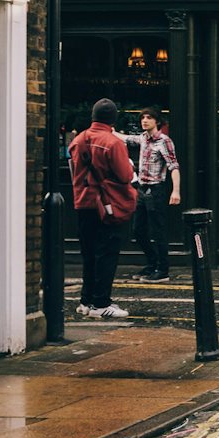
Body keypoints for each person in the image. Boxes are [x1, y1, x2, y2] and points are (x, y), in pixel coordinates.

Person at [70, 98, 137, 318]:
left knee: (89, 254)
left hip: (83, 203)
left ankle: (86, 302)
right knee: (106, 255)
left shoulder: (78, 140)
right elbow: (125, 175)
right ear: (113, 119)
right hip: (107, 206)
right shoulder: (113, 142)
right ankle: (101, 304)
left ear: (93, 116)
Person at [121, 109, 180, 282]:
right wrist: (109, 131)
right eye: (142, 118)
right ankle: (152, 263)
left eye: (149, 118)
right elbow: (125, 138)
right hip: (142, 189)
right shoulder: (143, 139)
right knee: (138, 230)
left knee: (158, 231)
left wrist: (175, 191)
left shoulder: (164, 141)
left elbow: (174, 166)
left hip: (156, 190)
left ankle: (163, 270)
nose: (145, 121)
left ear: (157, 121)